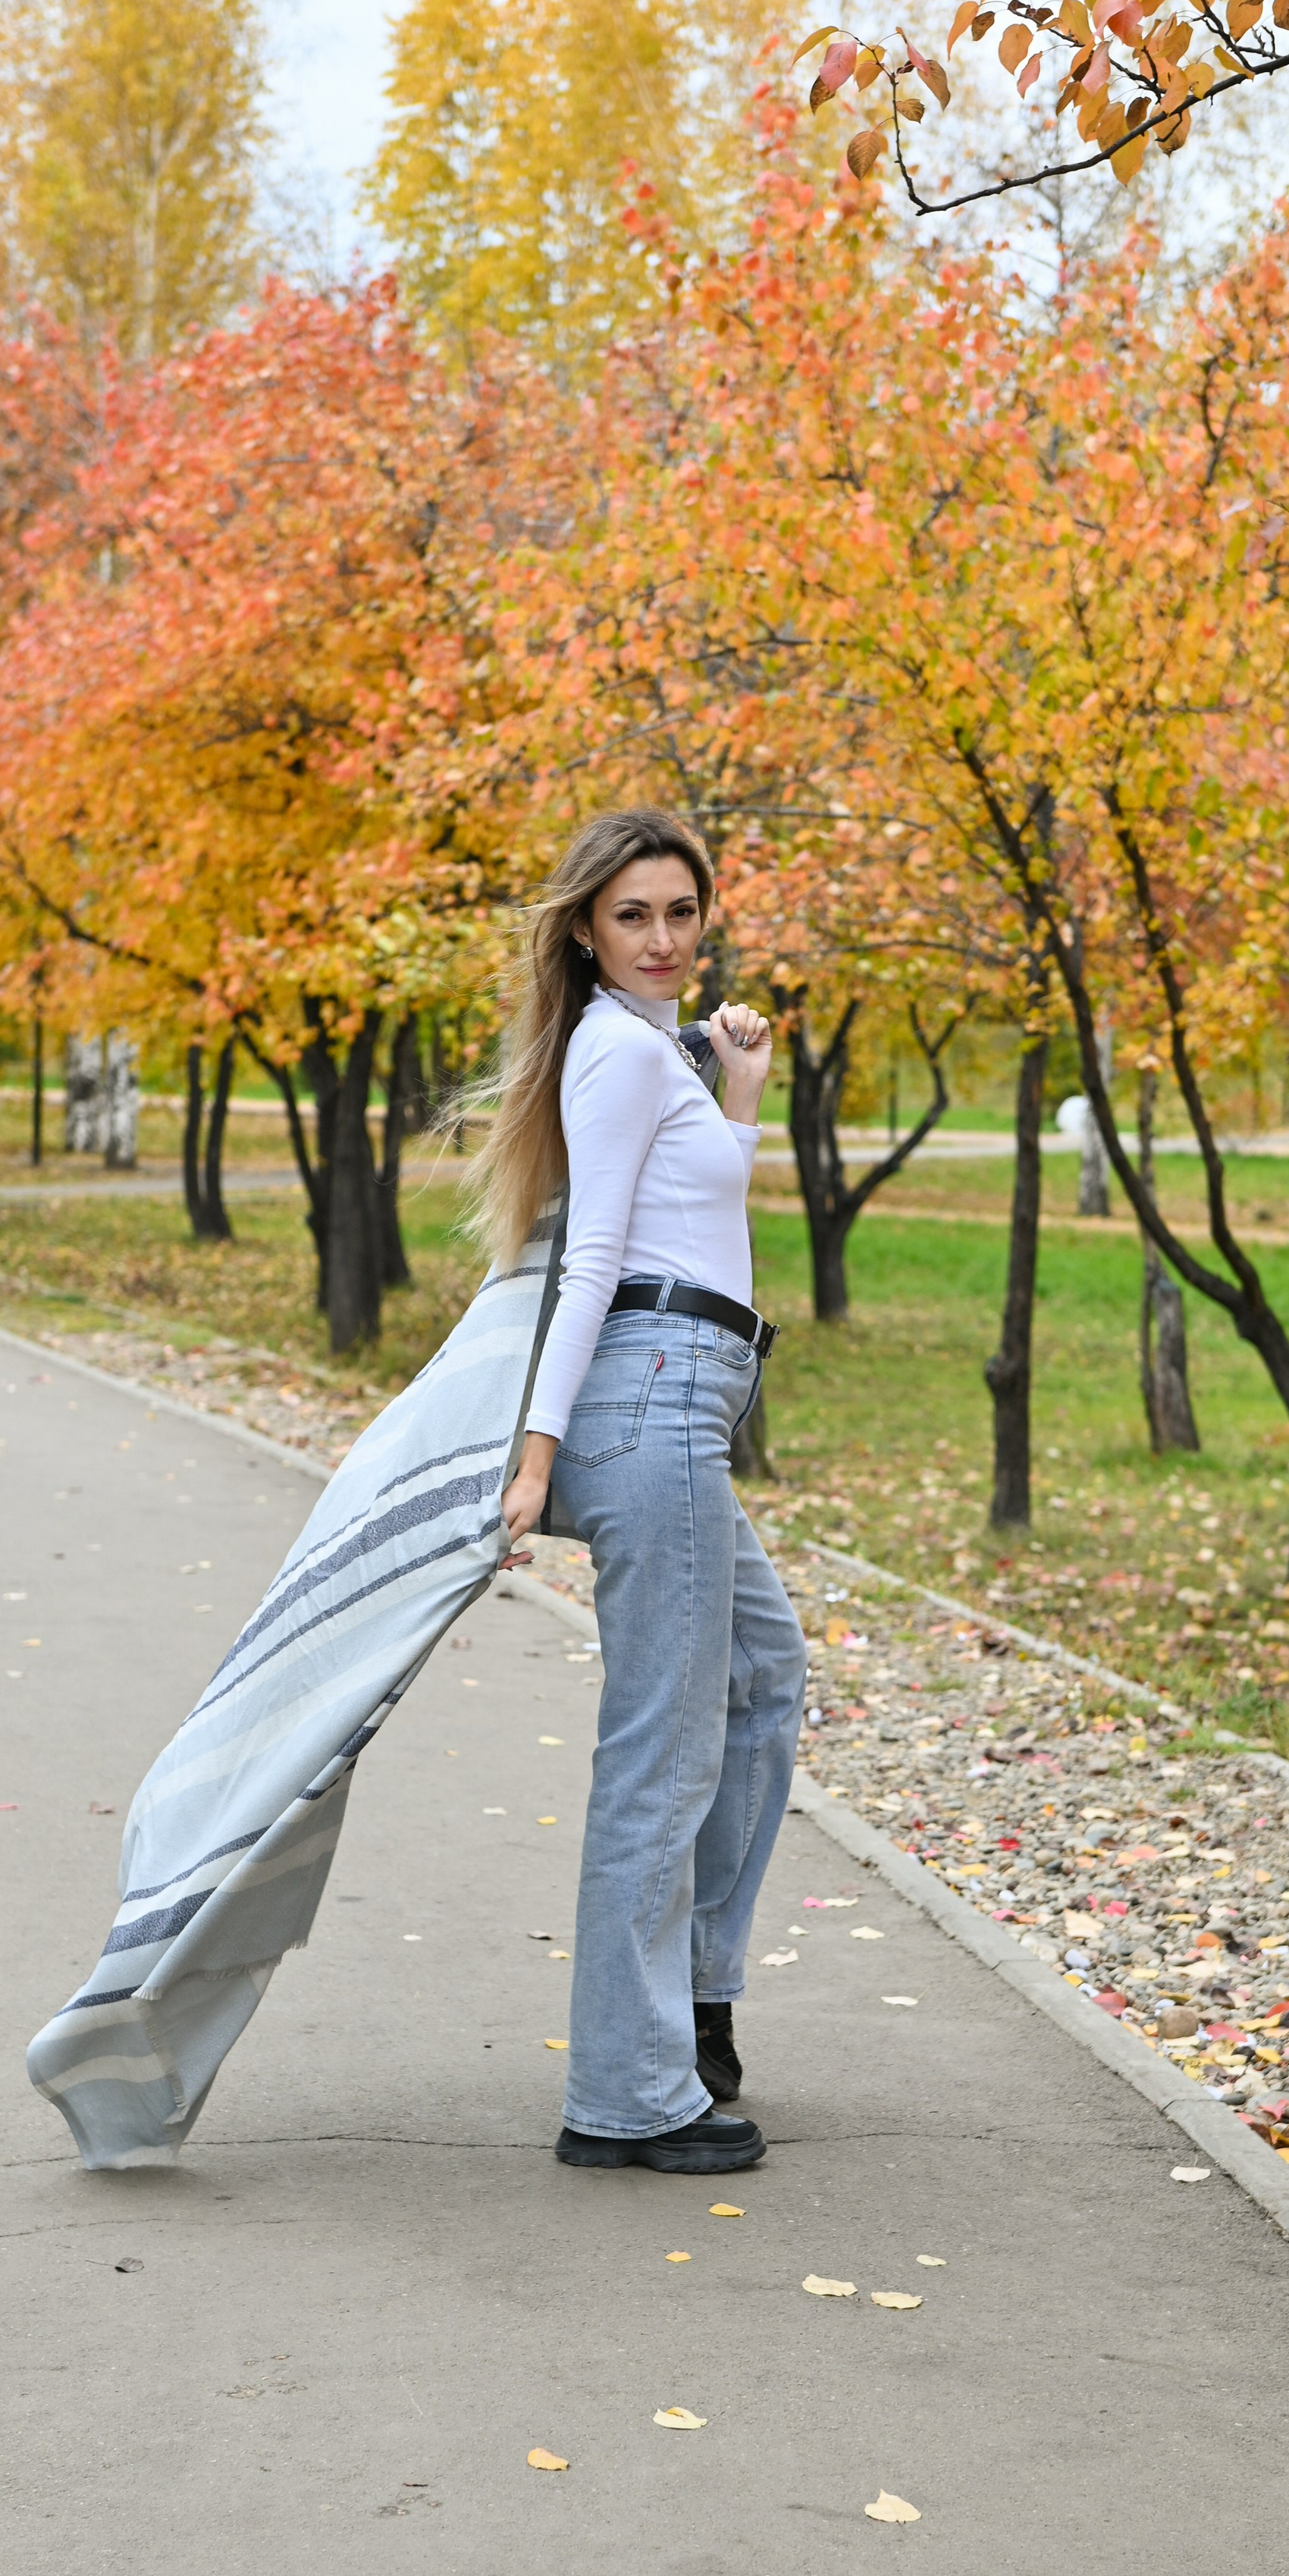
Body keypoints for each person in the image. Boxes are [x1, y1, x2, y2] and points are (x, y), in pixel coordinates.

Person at [478, 807, 809, 2176]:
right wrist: (537, 1449)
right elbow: (596, 1247)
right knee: (660, 1756)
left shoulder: (651, 1044)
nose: (666, 940)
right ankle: (626, 2095)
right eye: (636, 917)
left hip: (687, 1393)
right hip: (653, 1396)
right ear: (587, 929)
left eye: (683, 912)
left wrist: (739, 1081)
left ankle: (696, 2006)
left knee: (765, 1677)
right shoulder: (613, 1053)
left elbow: (711, 1195)